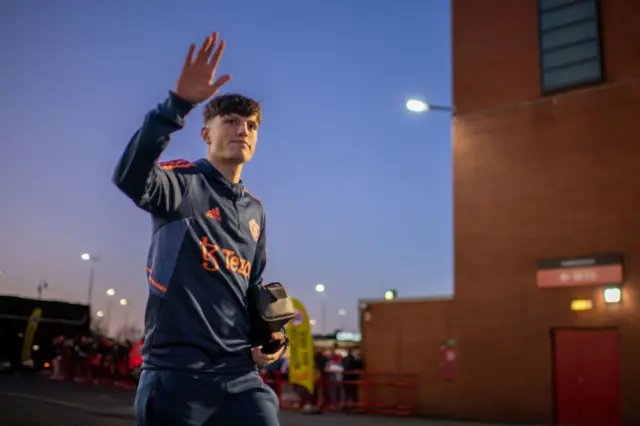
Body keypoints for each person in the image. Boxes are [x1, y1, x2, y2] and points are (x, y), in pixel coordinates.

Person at [113, 31, 285, 426]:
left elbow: (252, 288)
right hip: (177, 376)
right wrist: (176, 106)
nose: (243, 130)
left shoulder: (255, 211)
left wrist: (269, 338)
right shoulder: (181, 184)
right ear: (206, 133)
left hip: (241, 377)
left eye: (251, 125)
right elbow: (129, 176)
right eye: (230, 121)